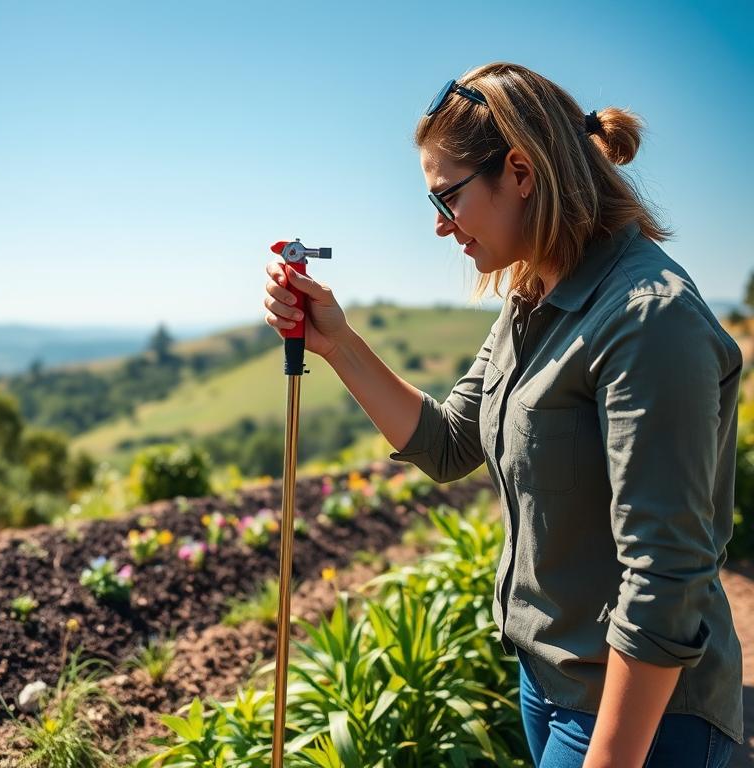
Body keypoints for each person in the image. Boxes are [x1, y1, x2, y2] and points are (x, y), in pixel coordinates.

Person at [261, 62, 742, 767]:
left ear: (519, 170)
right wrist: (335, 341)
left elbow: (666, 578)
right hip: (549, 685)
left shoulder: (647, 320)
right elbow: (450, 443)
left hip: (641, 715)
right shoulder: (533, 299)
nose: (438, 225)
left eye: (447, 197)